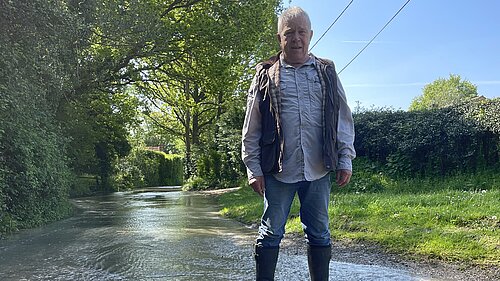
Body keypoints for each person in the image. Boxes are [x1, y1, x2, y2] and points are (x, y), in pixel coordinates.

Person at [241, 6, 356, 281]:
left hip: (318, 168)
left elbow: (343, 117)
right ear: (280, 38)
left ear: (311, 35)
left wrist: (345, 158)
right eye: (289, 33)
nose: (296, 39)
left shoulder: (326, 71)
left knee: (319, 233)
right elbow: (252, 124)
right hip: (278, 170)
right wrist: (253, 168)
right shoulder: (265, 75)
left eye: (301, 33)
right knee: (270, 233)